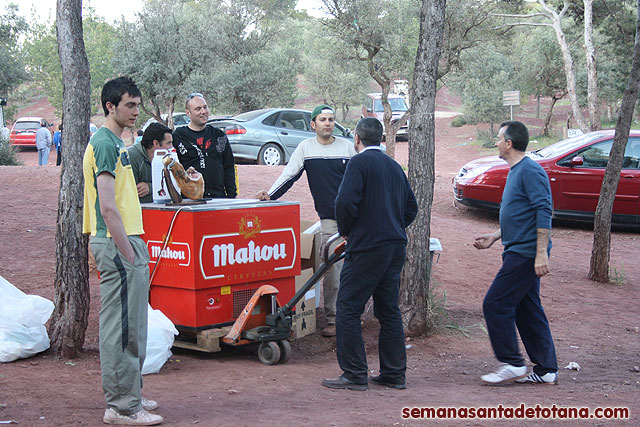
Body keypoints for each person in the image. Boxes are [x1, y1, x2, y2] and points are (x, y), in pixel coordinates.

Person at [82, 76, 163, 425]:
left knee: (135, 325)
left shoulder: (117, 143)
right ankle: (122, 407)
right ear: (110, 107)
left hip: (128, 240)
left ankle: (130, 392)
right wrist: (127, 252)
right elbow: (107, 206)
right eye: (129, 105)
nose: (135, 111)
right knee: (122, 327)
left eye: (137, 104)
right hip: (119, 243)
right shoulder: (103, 143)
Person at [322, 117, 417, 391]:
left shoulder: (358, 163)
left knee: (348, 308)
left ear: (357, 138)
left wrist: (348, 231)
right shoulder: (394, 166)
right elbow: (411, 208)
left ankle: (354, 373)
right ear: (382, 139)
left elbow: (344, 202)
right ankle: (394, 373)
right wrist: (393, 226)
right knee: (388, 310)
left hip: (367, 247)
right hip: (395, 246)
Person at [256, 105, 357, 337]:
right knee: (334, 267)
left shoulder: (347, 148)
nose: (328, 123)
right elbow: (289, 175)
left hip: (356, 218)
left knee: (359, 266)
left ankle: (353, 316)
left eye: (331, 119)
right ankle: (335, 319)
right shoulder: (306, 148)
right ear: (313, 124)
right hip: (331, 220)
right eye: (322, 119)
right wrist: (270, 195)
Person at [474, 120, 558, 386]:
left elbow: (543, 211)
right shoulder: (515, 170)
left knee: (495, 303)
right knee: (527, 309)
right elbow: (519, 213)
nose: (496, 142)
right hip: (517, 248)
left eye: (499, 138)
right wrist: (496, 235)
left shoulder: (530, 170)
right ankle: (546, 370)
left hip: (525, 253)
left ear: (509, 143)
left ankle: (512, 362)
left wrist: (541, 253)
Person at [173, 93, 236, 198]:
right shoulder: (178, 136)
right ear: (188, 113)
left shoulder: (218, 135)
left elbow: (229, 166)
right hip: (191, 199)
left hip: (218, 198)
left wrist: (231, 196)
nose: (203, 112)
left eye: (205, 107)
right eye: (198, 109)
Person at [128, 122, 173, 203]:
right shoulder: (131, 157)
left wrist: (150, 188)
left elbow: (174, 186)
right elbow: (131, 193)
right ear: (156, 143)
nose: (171, 147)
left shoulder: (168, 158)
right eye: (168, 143)